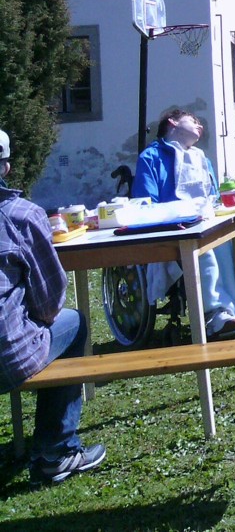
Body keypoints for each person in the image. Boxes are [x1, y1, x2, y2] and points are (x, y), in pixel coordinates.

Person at [0, 128, 106, 485]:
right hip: (5, 358)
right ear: (7, 167)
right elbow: (48, 304)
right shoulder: (20, 215)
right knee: (74, 324)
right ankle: (55, 452)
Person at [131, 109, 235, 337]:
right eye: (193, 121)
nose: (200, 126)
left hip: (207, 224)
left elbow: (212, 198)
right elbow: (146, 204)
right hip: (174, 233)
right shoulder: (151, 157)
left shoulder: (201, 159)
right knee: (203, 249)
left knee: (233, 240)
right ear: (172, 122)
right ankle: (216, 315)